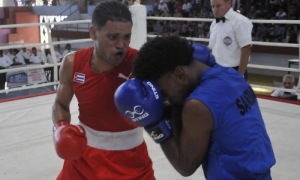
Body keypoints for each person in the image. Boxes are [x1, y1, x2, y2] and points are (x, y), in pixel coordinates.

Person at [115, 36, 276, 179]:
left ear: (179, 74)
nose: (163, 100)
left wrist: (154, 122)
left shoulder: (197, 105)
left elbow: (185, 166)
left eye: (162, 92)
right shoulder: (230, 74)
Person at [51, 1, 155, 180]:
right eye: (113, 37)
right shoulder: (72, 63)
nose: (121, 45)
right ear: (93, 33)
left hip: (131, 160)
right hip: (83, 158)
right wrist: (60, 127)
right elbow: (60, 104)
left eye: (126, 37)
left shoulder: (139, 65)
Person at [208, 0, 253, 80]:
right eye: (213, 6)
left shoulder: (240, 21)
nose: (215, 9)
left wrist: (240, 75)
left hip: (233, 70)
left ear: (229, 3)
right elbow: (212, 49)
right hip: (216, 70)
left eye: (218, 6)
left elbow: (246, 49)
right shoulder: (214, 24)